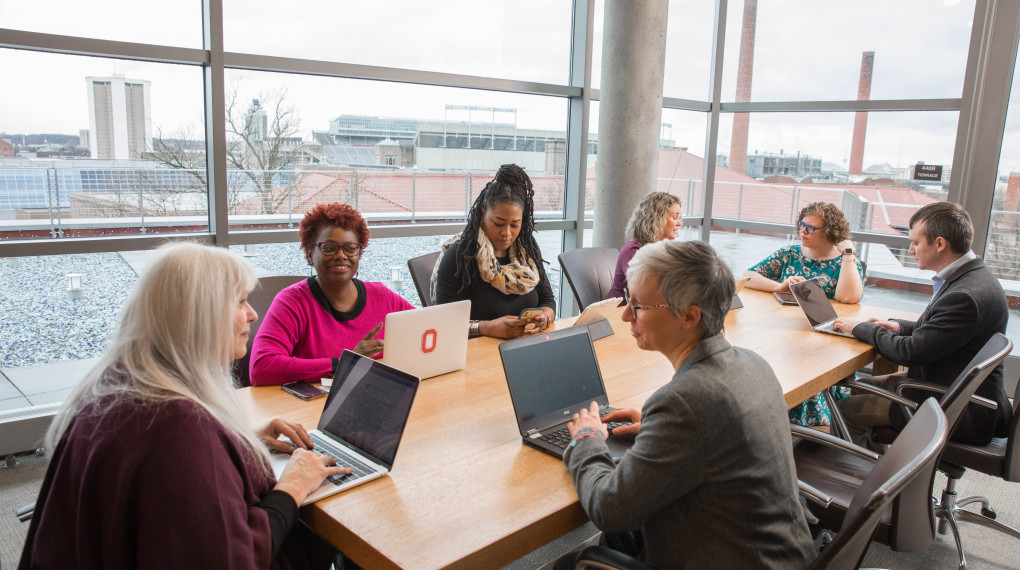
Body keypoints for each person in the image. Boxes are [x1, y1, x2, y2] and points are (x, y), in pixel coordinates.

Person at [19, 242, 349, 569]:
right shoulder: (176, 430)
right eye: (241, 301)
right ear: (199, 314)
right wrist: (292, 486)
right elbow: (232, 559)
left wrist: (234, 441)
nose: (252, 314)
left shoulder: (119, 387)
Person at [556, 240, 815, 569]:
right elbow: (711, 434)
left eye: (638, 306)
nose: (624, 315)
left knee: (571, 563)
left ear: (689, 316)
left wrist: (587, 440)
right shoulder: (752, 363)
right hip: (782, 555)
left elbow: (609, 510)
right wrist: (656, 427)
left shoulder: (685, 402)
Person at [834, 202, 1011, 448]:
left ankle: (861, 481)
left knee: (846, 409)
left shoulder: (965, 296)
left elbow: (909, 353)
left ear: (939, 244)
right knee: (860, 387)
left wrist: (860, 328)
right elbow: (939, 330)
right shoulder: (973, 277)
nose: (911, 249)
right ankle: (883, 465)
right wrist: (897, 327)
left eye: (916, 242)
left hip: (957, 408)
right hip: (956, 390)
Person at [250, 203, 414, 386]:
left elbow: (426, 329)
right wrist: (344, 363)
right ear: (310, 253)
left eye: (351, 248)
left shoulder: (382, 296)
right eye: (329, 248)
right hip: (312, 407)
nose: (341, 255)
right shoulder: (292, 301)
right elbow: (261, 367)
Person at [746, 201, 865, 427]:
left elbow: (848, 297)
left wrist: (848, 253)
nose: (803, 231)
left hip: (827, 341)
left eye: (811, 228)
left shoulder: (845, 261)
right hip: (788, 336)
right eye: (801, 225)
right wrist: (779, 286)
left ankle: (808, 427)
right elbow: (748, 275)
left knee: (807, 377)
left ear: (830, 232)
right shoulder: (789, 253)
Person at [433, 163, 555, 339]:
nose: (507, 233)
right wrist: (487, 328)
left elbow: (548, 299)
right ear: (482, 213)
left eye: (515, 225)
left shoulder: (527, 250)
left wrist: (545, 317)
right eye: (498, 223)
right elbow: (443, 323)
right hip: (477, 355)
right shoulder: (460, 256)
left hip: (522, 347)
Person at [606, 191, 683, 299]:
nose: (679, 223)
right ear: (657, 219)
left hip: (647, 310)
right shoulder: (633, 251)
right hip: (621, 312)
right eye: (675, 217)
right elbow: (646, 289)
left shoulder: (664, 251)